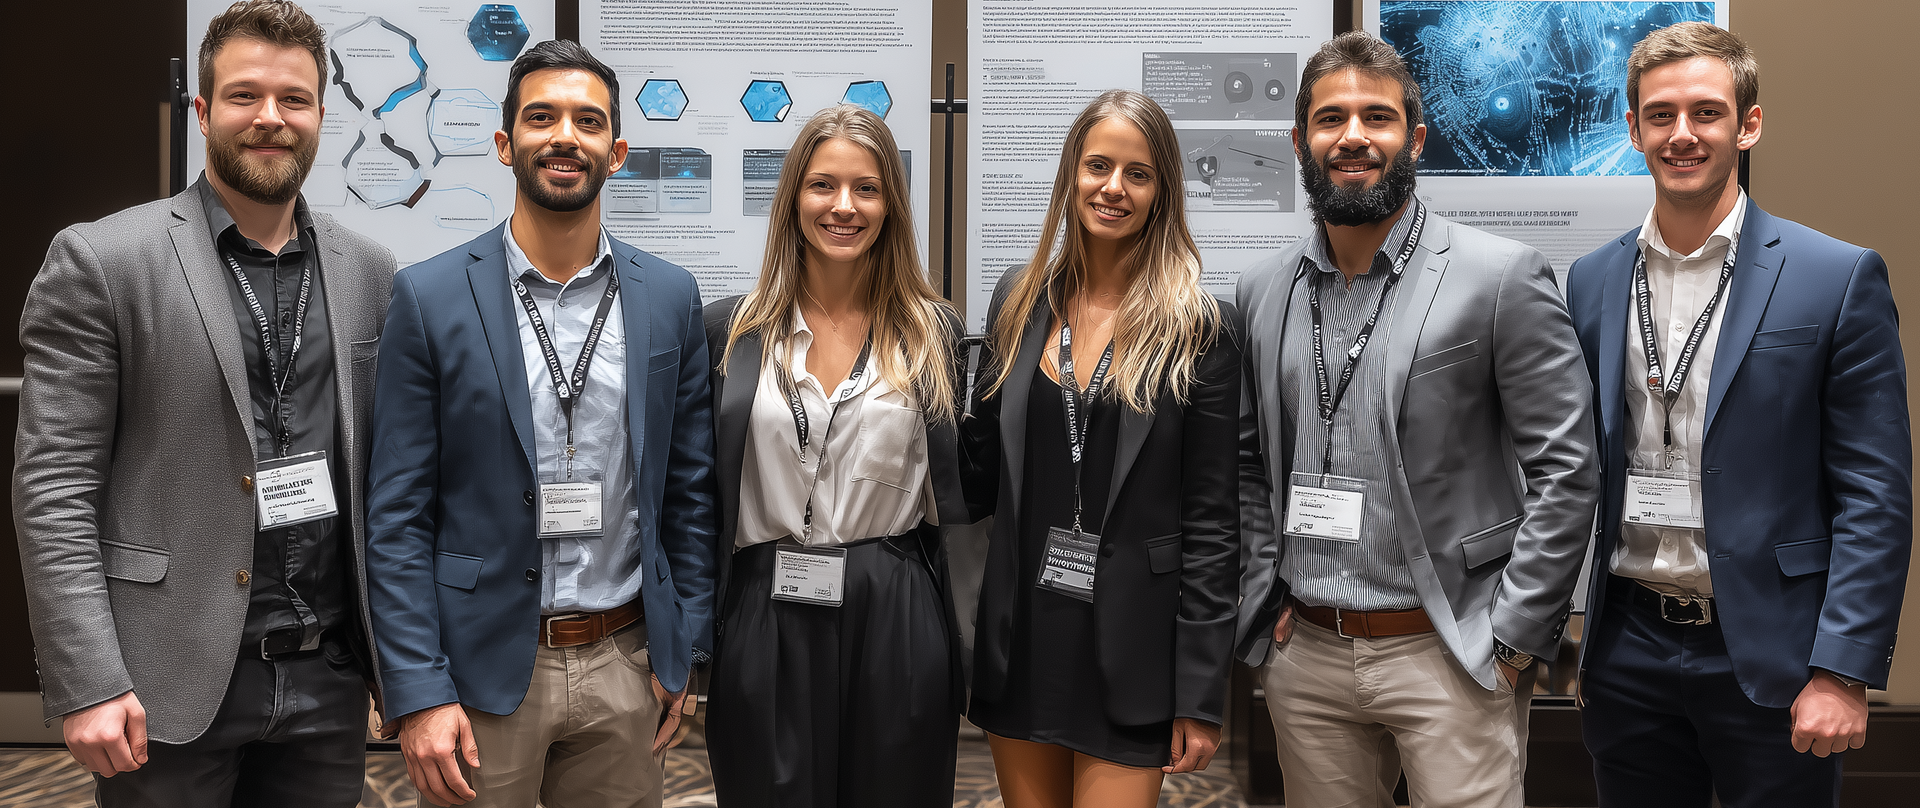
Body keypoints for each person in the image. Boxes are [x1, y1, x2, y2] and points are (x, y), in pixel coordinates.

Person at [11, 2, 396, 805]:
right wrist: (88, 680)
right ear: (203, 111)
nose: (270, 119)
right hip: (165, 681)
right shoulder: (105, 261)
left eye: (294, 99)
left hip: (326, 678)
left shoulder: (369, 271)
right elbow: (53, 490)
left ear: (322, 114)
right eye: (244, 96)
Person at [1233, 31, 1599, 808]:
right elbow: (1246, 465)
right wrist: (1262, 608)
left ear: (1416, 138)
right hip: (1310, 654)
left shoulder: (1498, 277)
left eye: (1378, 117)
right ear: (1301, 140)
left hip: (1450, 650)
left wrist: (1513, 639)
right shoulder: (1263, 290)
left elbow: (1567, 469)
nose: (1354, 136)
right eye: (1331, 119)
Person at [364, 40, 718, 808]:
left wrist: (684, 652)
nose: (565, 136)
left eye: (588, 121)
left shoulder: (670, 297)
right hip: (479, 671)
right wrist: (417, 689)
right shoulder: (429, 299)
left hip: (627, 662)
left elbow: (690, 492)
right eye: (541, 117)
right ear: (504, 144)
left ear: (616, 151)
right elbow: (395, 516)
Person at [1566, 22, 1910, 808]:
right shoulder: (1591, 280)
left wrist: (1842, 668)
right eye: (1660, 115)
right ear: (1632, 131)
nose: (1682, 134)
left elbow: (1875, 496)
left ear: (1748, 123)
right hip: (1629, 647)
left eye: (1706, 112)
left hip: (1776, 655)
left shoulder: (1835, 276)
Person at [963, 88, 1241, 808]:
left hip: (1134, 649)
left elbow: (1213, 522)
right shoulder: (1017, 300)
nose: (1113, 188)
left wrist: (1201, 691)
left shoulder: (1201, 327)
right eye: (1098, 166)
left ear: (1162, 191)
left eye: (1137, 173)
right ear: (1071, 175)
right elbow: (986, 467)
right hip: (1024, 632)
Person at [701, 104, 970, 807]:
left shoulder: (932, 330)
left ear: (891, 205)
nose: (843, 206)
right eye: (823, 185)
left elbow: (964, 486)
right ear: (793, 197)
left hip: (895, 602)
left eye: (867, 188)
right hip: (765, 599)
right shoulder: (730, 331)